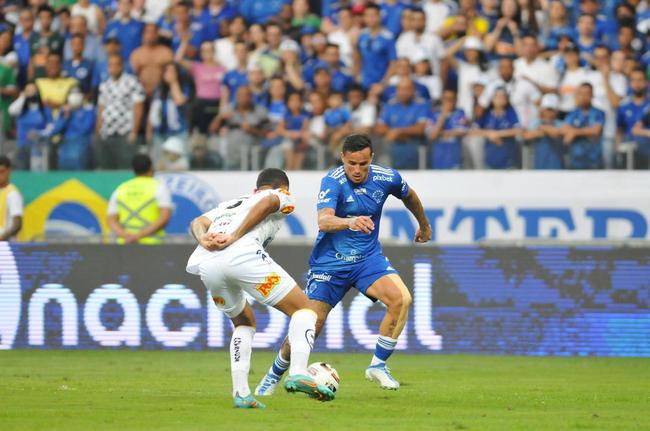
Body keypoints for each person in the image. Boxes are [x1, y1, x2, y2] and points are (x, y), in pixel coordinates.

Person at [254, 134, 432, 396]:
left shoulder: (387, 178)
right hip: (329, 265)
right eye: (351, 164)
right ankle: (273, 375)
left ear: (371, 158)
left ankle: (378, 366)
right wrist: (349, 222)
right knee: (309, 323)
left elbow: (410, 196)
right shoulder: (332, 181)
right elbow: (324, 221)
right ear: (342, 159)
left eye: (362, 164)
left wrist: (424, 224)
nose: (357, 170)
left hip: (367, 260)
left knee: (401, 299)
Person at [186, 168, 335, 408]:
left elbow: (197, 222)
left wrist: (202, 238)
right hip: (243, 256)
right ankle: (298, 372)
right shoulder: (281, 195)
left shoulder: (229, 205)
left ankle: (242, 394)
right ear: (283, 188)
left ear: (254, 189)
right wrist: (234, 235)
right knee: (305, 311)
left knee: (244, 322)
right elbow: (270, 200)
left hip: (208, 264)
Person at [106, 154, 172, 244]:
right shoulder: (159, 187)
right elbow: (164, 217)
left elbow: (111, 220)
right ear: (151, 168)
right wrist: (139, 235)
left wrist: (126, 236)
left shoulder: (120, 189)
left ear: (133, 170)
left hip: (125, 245)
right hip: (152, 245)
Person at [96, 54, 145, 169]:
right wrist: (99, 130)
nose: (113, 68)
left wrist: (134, 131)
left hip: (125, 133)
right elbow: (101, 109)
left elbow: (138, 107)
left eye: (116, 64)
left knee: (125, 167)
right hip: (107, 133)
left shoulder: (132, 82)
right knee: (107, 167)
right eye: (110, 65)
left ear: (122, 66)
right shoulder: (104, 85)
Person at [562, 83, 605, 169]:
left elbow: (595, 131)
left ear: (592, 95)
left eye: (587, 94)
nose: (583, 96)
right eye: (580, 93)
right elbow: (565, 131)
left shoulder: (599, 113)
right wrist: (586, 131)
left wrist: (574, 132)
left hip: (594, 160)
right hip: (575, 161)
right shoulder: (572, 114)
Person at [426, 89, 469, 169]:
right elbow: (432, 136)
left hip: (455, 158)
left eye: (451, 99)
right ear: (442, 99)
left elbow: (462, 132)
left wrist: (441, 133)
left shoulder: (460, 112)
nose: (449, 101)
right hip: (438, 159)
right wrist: (443, 115)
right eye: (446, 99)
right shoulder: (434, 114)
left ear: (456, 100)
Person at [523, 93, 564, 169]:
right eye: (547, 110)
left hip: (557, 167)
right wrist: (547, 131)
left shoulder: (560, 123)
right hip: (539, 166)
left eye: (552, 110)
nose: (549, 113)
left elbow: (558, 133)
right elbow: (527, 135)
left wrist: (542, 128)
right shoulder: (535, 122)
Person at [0, 155, 23, 241]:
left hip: (7, 246)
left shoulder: (13, 194)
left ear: (9, 171)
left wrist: (2, 238)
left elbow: (17, 225)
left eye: (2, 172)